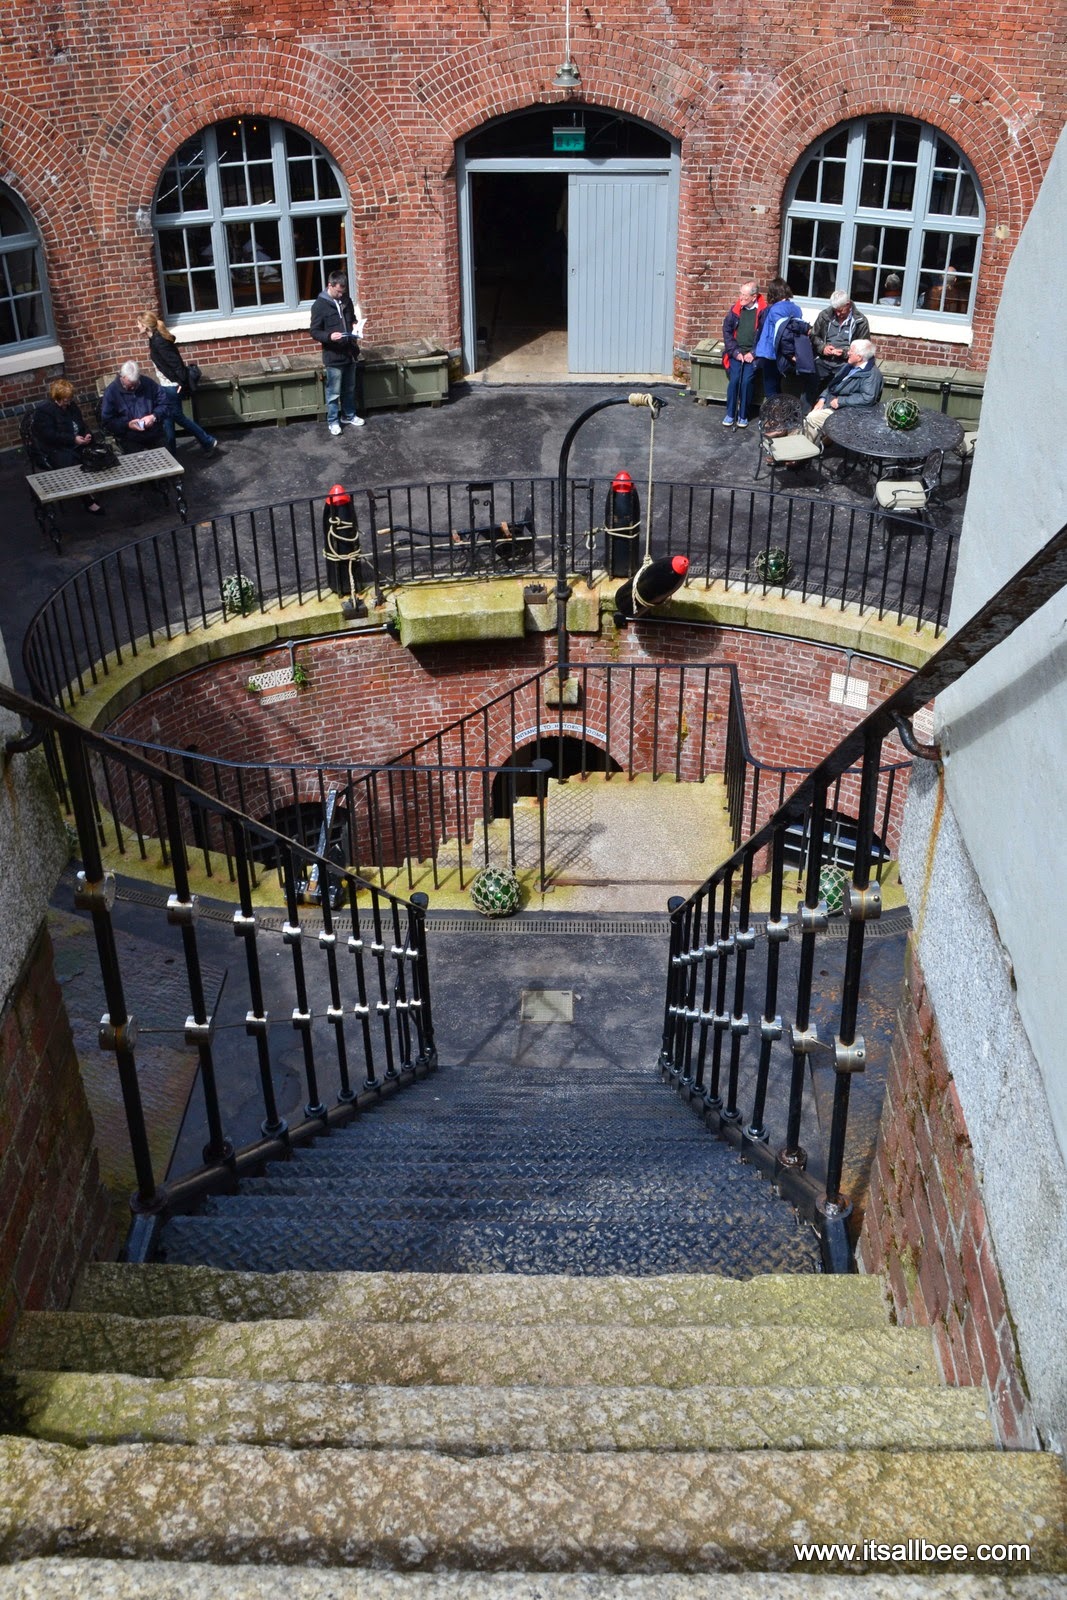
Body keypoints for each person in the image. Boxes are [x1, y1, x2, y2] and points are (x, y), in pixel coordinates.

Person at [137, 312, 217, 455]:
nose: (137, 326)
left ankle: (208, 441)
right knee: (167, 418)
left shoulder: (159, 341)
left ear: (145, 326)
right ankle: (170, 453)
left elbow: (176, 363)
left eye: (138, 324)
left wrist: (181, 382)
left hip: (172, 386)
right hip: (166, 385)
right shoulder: (153, 339)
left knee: (178, 417)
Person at [32, 378, 103, 515]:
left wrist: (87, 434)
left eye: (69, 399)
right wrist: (72, 439)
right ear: (57, 398)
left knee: (96, 453)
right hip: (55, 448)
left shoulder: (71, 406)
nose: (68, 403)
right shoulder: (44, 411)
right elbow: (49, 435)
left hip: (76, 443)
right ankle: (88, 500)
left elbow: (81, 424)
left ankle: (93, 486)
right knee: (73, 464)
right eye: (65, 400)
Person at [310, 271, 365, 436]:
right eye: (338, 291)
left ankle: (349, 415)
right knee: (333, 392)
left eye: (343, 291)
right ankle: (333, 421)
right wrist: (329, 336)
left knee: (349, 388)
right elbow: (314, 331)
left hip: (349, 353)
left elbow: (352, 318)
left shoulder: (346, 300)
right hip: (333, 355)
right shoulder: (319, 306)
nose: (341, 295)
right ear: (330, 285)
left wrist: (355, 325)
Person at [807, 339, 883, 427]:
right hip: (832, 404)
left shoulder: (871, 375)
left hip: (849, 413)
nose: (848, 353)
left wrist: (841, 401)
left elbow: (867, 398)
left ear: (859, 357)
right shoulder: (849, 367)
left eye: (851, 351)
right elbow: (832, 385)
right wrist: (822, 399)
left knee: (812, 418)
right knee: (810, 418)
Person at [721, 279, 766, 428]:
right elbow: (727, 331)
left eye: (744, 295)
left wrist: (753, 353)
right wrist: (735, 352)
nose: (741, 298)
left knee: (746, 382)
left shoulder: (763, 312)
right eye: (740, 294)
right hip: (737, 353)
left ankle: (743, 415)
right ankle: (730, 413)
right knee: (734, 380)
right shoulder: (735, 310)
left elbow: (765, 337)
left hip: (753, 356)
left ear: (754, 297)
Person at [101, 360, 171, 452]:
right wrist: (127, 425)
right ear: (122, 377)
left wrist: (153, 416)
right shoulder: (111, 392)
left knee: (165, 454)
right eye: (129, 386)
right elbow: (107, 421)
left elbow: (166, 404)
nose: (133, 388)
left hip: (154, 433)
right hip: (128, 437)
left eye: (135, 385)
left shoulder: (149, 384)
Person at [752, 276, 804, 401]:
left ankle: (774, 413)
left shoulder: (773, 310)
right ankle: (781, 411)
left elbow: (773, 332)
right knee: (781, 388)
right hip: (788, 355)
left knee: (770, 390)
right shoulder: (797, 309)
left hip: (771, 354)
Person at [811, 292, 871, 387]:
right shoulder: (824, 315)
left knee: (843, 385)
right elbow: (814, 335)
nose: (838, 314)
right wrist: (823, 348)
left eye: (840, 310)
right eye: (835, 311)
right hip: (823, 360)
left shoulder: (860, 321)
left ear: (848, 304)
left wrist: (845, 353)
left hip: (845, 363)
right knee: (811, 380)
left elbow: (864, 347)